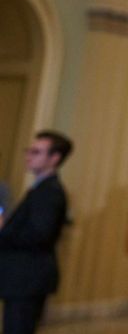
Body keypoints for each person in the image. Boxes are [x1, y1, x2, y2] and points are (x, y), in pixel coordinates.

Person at [0, 131, 73, 334]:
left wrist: (3, 230)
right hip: (22, 278)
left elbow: (39, 235)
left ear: (54, 158)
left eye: (36, 152)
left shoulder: (49, 193)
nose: (28, 156)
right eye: (28, 151)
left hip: (27, 278)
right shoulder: (41, 189)